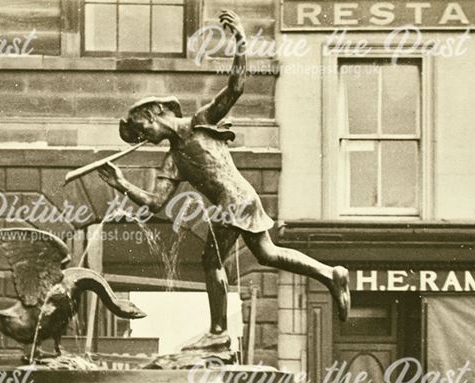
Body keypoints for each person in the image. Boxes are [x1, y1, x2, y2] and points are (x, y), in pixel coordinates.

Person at [97, 9, 351, 350]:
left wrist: (241, 43)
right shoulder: (172, 160)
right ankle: (329, 273)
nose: (145, 137)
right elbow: (156, 203)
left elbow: (235, 88)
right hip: (240, 199)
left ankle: (218, 332)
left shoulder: (201, 121)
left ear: (155, 113)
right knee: (267, 253)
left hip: (233, 201)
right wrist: (121, 183)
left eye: (142, 129)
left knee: (211, 261)